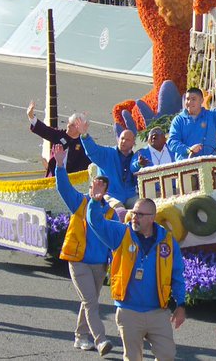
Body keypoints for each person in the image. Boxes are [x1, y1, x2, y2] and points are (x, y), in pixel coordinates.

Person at [86, 194, 186, 361]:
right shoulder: (121, 234)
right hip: (128, 311)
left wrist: (181, 304)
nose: (134, 217)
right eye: (133, 213)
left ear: (152, 218)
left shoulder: (167, 241)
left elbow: (177, 274)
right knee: (133, 357)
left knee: (167, 355)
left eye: (140, 214)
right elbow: (96, 223)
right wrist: (95, 201)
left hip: (158, 311)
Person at [53, 145, 115, 355]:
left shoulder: (110, 213)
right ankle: (101, 340)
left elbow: (115, 239)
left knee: (90, 302)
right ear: (89, 188)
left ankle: (80, 336)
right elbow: (64, 188)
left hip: (99, 265)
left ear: (105, 191)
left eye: (101, 186)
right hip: (78, 261)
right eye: (94, 185)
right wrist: (60, 165)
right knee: (90, 301)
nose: (96, 189)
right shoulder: (80, 203)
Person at [167, 69, 216, 161]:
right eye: (187, 99)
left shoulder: (211, 116)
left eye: (193, 99)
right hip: (187, 166)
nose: (189, 102)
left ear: (201, 101)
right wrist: (188, 149)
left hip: (209, 164)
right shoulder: (179, 120)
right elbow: (172, 142)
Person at [26, 101, 93, 176]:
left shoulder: (83, 143)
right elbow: (45, 130)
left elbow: (88, 162)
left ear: (79, 128)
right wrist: (31, 117)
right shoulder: (60, 135)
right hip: (53, 177)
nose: (68, 126)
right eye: (69, 123)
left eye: (72, 125)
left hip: (71, 179)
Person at [82, 130, 141, 208]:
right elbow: (92, 151)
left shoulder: (135, 158)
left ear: (133, 143)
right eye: (122, 138)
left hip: (130, 195)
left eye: (127, 140)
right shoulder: (107, 153)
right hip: (109, 194)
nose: (123, 141)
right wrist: (85, 136)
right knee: (118, 208)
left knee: (142, 206)